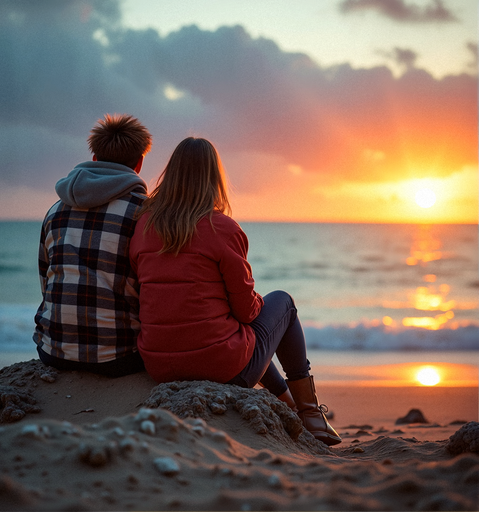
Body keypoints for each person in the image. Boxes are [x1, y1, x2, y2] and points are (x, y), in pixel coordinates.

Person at [129, 137, 341, 446]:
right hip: (222, 368)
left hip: (159, 365)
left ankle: (290, 406)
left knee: (238, 334)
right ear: (213, 178)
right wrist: (246, 301)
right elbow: (247, 312)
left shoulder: (144, 226)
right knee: (283, 303)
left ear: (171, 175)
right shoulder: (222, 227)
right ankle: (311, 416)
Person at [33, 113, 152, 377]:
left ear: (95, 158)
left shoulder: (55, 211)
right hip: (122, 355)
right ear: (140, 163)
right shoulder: (145, 213)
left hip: (53, 352)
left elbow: (46, 282)